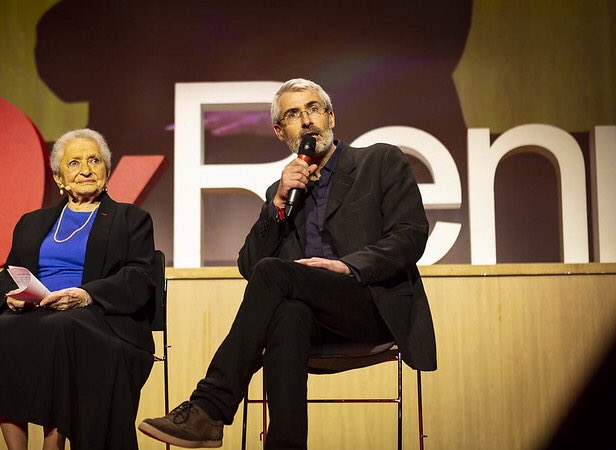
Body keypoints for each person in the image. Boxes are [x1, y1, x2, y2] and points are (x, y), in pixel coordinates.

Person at [139, 78, 437, 449]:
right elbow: (249, 265)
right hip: (313, 320)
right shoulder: (282, 191)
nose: (307, 120)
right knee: (287, 312)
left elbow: (410, 235)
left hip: (371, 305)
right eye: (294, 115)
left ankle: (211, 407)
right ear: (281, 132)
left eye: (314, 109)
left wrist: (348, 266)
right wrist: (278, 204)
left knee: (274, 274)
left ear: (331, 117)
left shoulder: (378, 161)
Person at [0, 128, 157, 450]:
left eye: (94, 161)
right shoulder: (32, 222)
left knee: (62, 328)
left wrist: (86, 294)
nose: (86, 170)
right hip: (37, 312)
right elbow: (9, 274)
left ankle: (53, 446)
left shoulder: (131, 219)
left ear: (107, 171)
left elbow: (140, 276)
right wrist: (13, 298)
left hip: (98, 319)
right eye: (74, 163)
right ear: (58, 177)